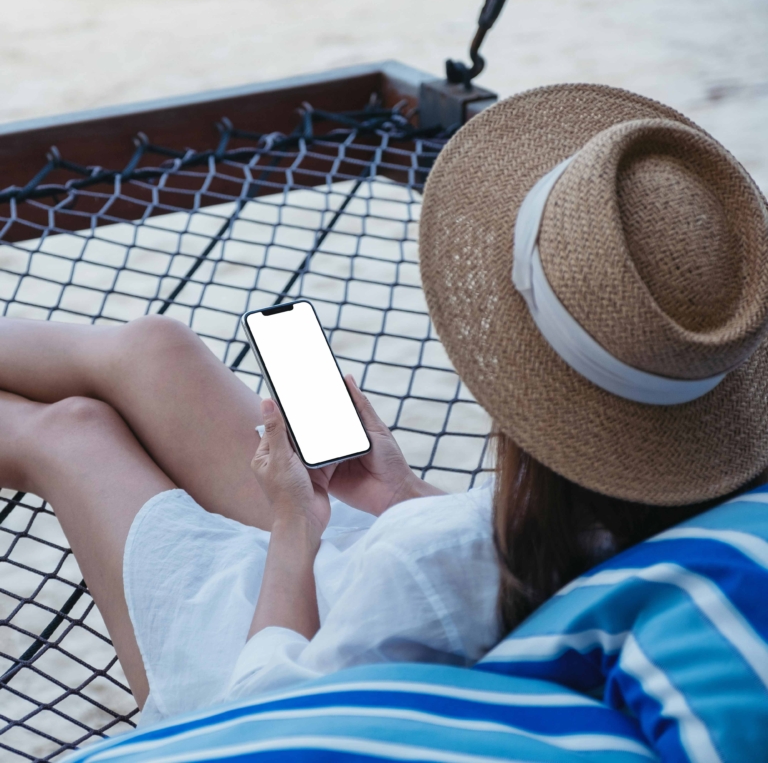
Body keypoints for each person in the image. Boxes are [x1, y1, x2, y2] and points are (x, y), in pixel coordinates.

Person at [1, 83, 767, 726]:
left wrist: (293, 526)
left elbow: (262, 715)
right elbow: (517, 565)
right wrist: (401, 494)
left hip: (255, 648)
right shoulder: (692, 509)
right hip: (363, 570)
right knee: (157, 347)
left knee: (74, 433)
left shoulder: (427, 563)